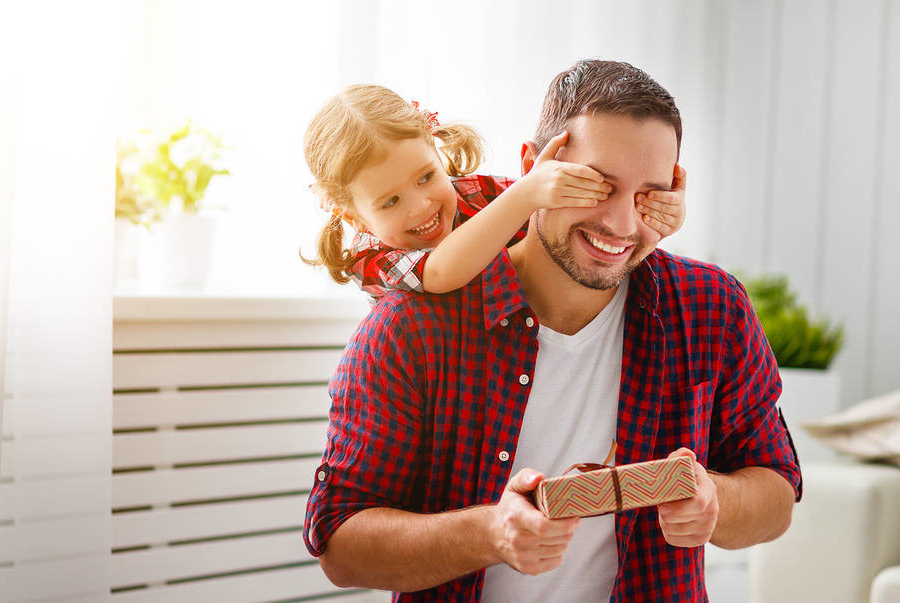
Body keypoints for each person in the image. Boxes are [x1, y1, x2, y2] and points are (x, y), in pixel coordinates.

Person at [303, 59, 802, 602]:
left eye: (648, 195)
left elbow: (776, 492)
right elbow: (340, 545)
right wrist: (489, 532)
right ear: (532, 169)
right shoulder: (408, 329)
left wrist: (714, 501)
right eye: (595, 186)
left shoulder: (710, 307)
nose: (621, 225)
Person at [302, 84, 685, 302]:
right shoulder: (370, 257)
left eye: (425, 177)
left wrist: (653, 212)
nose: (422, 205)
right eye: (389, 202)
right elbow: (439, 272)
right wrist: (525, 194)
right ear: (353, 216)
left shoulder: (475, 193)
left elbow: (559, 218)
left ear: (436, 149)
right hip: (444, 370)